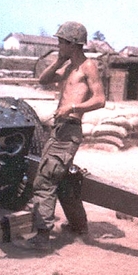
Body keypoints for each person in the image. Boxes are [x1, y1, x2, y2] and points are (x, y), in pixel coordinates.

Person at [20, 21, 106, 251]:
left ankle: (42, 236)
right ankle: (79, 227)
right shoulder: (69, 68)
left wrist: (73, 107)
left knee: (45, 179)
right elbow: (43, 80)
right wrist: (59, 60)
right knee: (62, 178)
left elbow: (100, 99)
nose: (58, 44)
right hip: (58, 129)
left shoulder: (88, 66)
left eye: (61, 42)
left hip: (69, 129)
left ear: (73, 44)